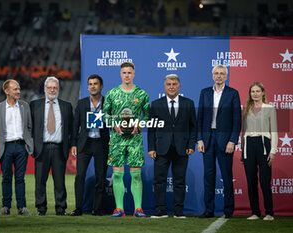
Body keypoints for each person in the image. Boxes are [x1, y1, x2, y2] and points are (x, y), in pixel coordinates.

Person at [103, 62, 150, 218]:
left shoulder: (142, 94)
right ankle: (119, 209)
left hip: (135, 140)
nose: (127, 75)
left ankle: (138, 209)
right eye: (124, 72)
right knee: (117, 175)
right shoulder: (112, 93)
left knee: (136, 175)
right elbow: (105, 114)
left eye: (129, 72)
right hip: (117, 139)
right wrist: (114, 124)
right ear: (120, 74)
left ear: (134, 74)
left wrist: (139, 126)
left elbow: (148, 115)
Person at [148, 74, 196, 218]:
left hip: (182, 148)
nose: (171, 86)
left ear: (179, 86)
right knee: (159, 181)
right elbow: (151, 129)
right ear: (164, 87)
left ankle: (178, 211)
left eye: (174, 84)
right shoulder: (156, 104)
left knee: (180, 181)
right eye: (168, 84)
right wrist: (151, 147)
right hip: (161, 148)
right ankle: (160, 210)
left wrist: (191, 145)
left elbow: (193, 126)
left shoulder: (189, 103)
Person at [197, 65, 241, 219]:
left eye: (222, 73)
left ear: (226, 76)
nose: (219, 76)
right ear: (212, 75)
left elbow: (237, 120)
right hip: (207, 140)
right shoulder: (205, 93)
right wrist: (199, 139)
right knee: (208, 177)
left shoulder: (233, 93)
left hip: (225, 141)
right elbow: (199, 117)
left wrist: (232, 140)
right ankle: (208, 210)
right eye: (216, 73)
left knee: (227, 176)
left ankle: (228, 211)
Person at [30, 77, 73, 216]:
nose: (52, 90)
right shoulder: (34, 105)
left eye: (55, 87)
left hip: (59, 149)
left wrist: (72, 145)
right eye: (49, 88)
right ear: (44, 89)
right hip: (41, 149)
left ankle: (61, 209)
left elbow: (71, 130)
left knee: (60, 182)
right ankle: (41, 209)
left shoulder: (67, 106)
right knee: (40, 181)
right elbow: (29, 127)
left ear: (58, 89)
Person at [0, 79, 33, 216]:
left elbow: (29, 127)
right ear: (6, 91)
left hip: (22, 147)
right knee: (6, 178)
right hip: (6, 147)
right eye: (15, 89)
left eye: (19, 88)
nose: (18, 91)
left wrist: (29, 142)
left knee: (20, 178)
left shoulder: (25, 106)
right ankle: (6, 206)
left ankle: (22, 207)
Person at [70, 74, 109, 216]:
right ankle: (78, 208)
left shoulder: (108, 103)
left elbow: (113, 123)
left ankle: (97, 209)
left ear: (101, 86)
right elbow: (75, 126)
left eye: (95, 84)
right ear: (88, 87)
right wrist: (73, 144)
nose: (93, 86)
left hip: (101, 144)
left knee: (100, 177)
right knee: (80, 176)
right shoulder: (81, 103)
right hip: (84, 144)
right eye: (90, 84)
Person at [242, 82, 277, 221]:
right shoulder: (247, 109)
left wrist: (272, 151)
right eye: (252, 91)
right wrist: (243, 150)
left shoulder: (270, 108)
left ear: (263, 92)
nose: (254, 94)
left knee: (264, 181)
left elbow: (273, 131)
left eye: (257, 91)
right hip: (248, 145)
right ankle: (255, 212)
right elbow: (244, 131)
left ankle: (269, 212)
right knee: (251, 181)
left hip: (263, 144)